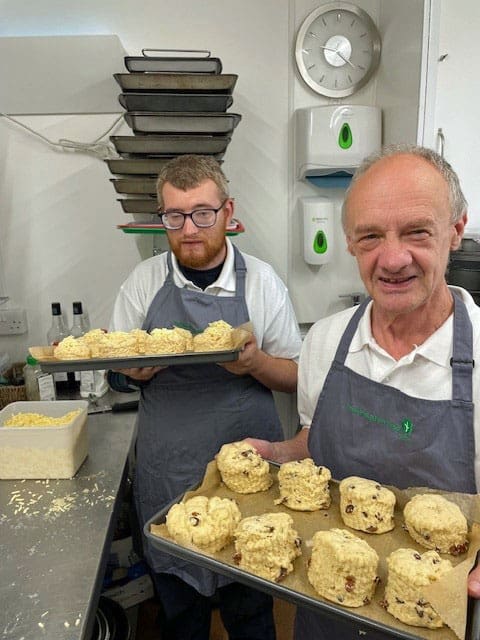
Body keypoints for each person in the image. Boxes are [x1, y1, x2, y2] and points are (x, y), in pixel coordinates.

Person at [248, 144, 480, 639]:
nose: (392, 259)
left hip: (435, 614)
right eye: (371, 236)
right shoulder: (326, 342)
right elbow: (317, 444)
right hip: (326, 601)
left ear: (456, 231)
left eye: (417, 231)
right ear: (350, 244)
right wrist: (275, 452)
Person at [108, 154, 302, 639]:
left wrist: (255, 363)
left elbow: (298, 375)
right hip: (167, 473)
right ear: (162, 218)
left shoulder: (261, 283)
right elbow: (113, 369)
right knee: (179, 614)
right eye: (174, 215)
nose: (188, 228)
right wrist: (134, 372)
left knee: (251, 611)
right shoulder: (143, 284)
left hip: (249, 472)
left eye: (202, 213)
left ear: (228, 212)